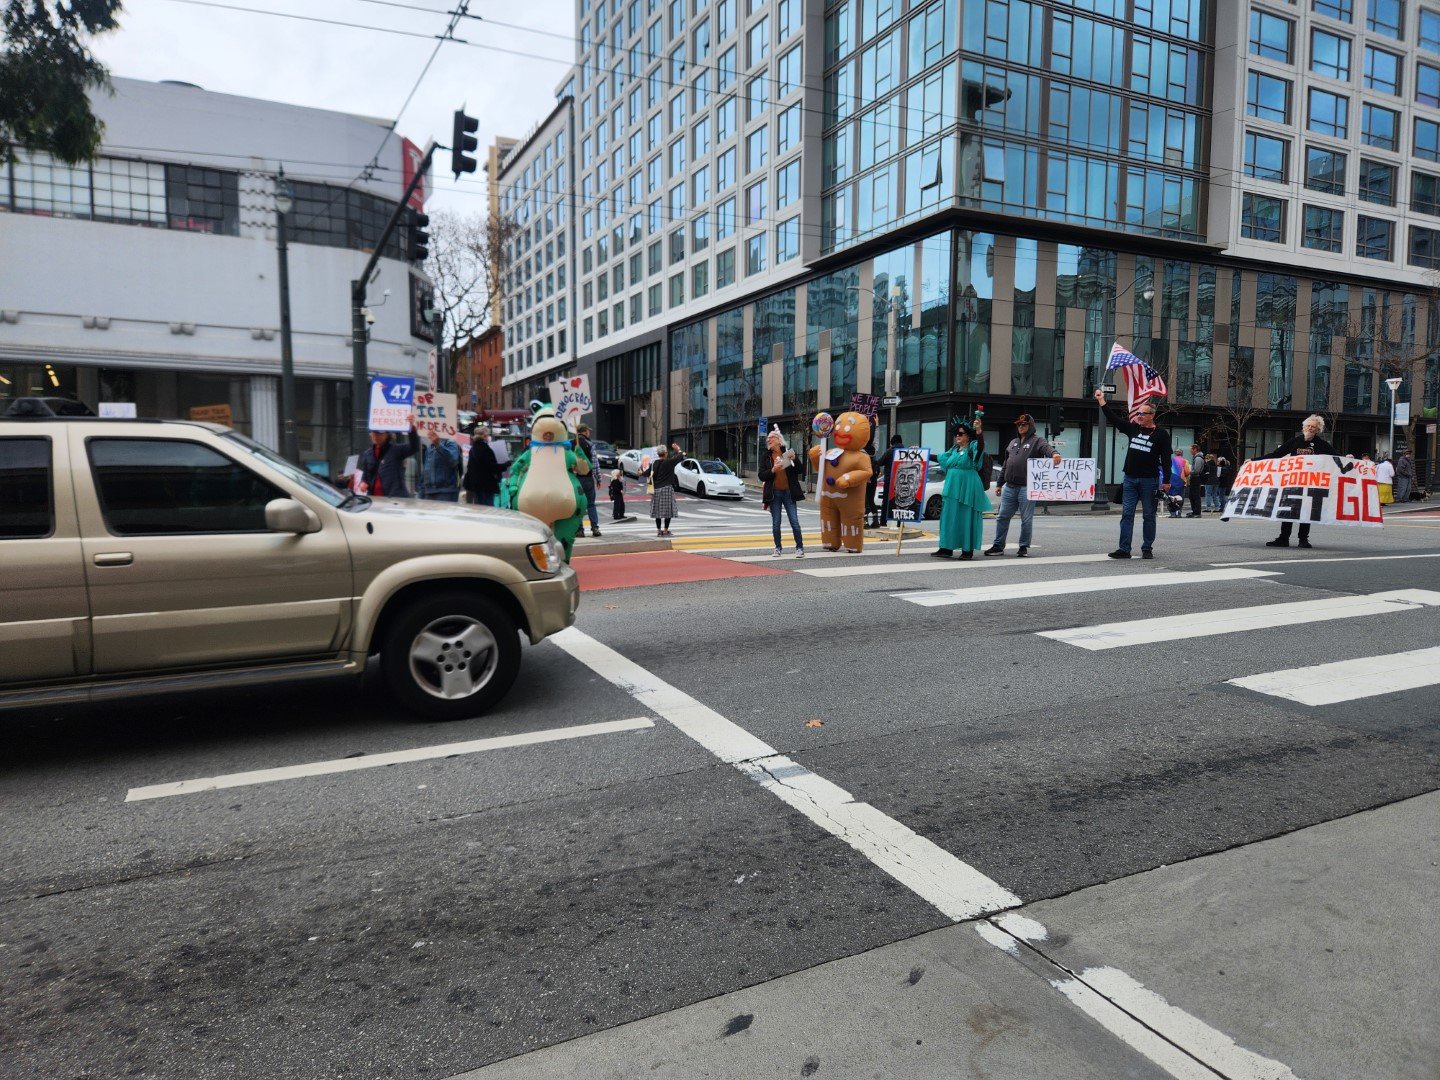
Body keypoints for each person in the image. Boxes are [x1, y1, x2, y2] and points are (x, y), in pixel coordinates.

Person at [1094, 389, 1172, 559]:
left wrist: (1166, 480)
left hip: (1149, 481)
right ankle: (1124, 549)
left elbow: (1166, 459)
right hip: (1129, 479)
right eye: (1138, 413)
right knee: (1127, 514)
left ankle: (1147, 548)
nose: (1139, 416)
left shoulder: (1161, 435)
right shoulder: (1133, 429)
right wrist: (1102, 401)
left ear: (1152, 415)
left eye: (1142, 414)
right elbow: (1113, 419)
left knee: (1149, 515)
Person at [985, 414, 1062, 557]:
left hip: (1027, 487)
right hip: (1010, 486)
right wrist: (1000, 483)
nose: (1020, 427)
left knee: (1026, 519)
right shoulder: (1013, 442)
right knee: (1002, 517)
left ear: (1030, 426)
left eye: (1024, 424)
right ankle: (998, 546)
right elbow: (1006, 465)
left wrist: (1055, 454)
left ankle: (1023, 547)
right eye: (1019, 425)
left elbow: (1047, 448)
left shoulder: (1037, 441)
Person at [1263, 414, 1334, 549]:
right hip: (1292, 483)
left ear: (1318, 429)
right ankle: (1283, 538)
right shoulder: (1295, 441)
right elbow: (1276, 454)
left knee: (1306, 512)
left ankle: (1303, 539)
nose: (1310, 428)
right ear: (1304, 427)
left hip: (1311, 484)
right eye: (1308, 425)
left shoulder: (1322, 444)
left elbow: (1337, 457)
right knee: (1287, 510)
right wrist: (1254, 461)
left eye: (1313, 426)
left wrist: (1353, 462)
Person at [933, 418, 988, 559]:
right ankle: (946, 548)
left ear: (968, 436)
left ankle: (967, 550)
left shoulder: (973, 447)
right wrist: (920, 453)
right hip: (952, 487)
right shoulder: (953, 450)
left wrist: (979, 431)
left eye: (961, 433)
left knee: (966, 517)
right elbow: (939, 458)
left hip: (968, 487)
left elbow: (981, 447)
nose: (958, 436)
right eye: (956, 434)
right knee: (948, 516)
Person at [759, 427, 805, 557]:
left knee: (794, 521)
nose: (768, 440)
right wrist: (773, 470)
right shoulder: (766, 456)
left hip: (789, 493)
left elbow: (800, 470)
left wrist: (795, 459)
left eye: (771, 438)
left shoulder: (787, 453)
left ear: (779, 441)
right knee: (776, 523)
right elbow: (761, 475)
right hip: (775, 494)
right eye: (768, 439)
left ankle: (800, 548)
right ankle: (778, 548)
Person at [356, 422, 420, 499]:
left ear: (387, 435)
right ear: (370, 434)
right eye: (373, 433)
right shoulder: (367, 454)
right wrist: (363, 482)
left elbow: (414, 447)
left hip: (394, 499)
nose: (376, 436)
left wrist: (412, 429)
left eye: (379, 434)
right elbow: (365, 475)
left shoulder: (396, 450)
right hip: (374, 499)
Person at [643, 445, 680, 536]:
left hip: (656, 490)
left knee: (657, 511)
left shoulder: (654, 463)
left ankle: (659, 531)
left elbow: (646, 473)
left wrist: (640, 472)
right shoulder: (669, 462)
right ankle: (666, 530)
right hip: (666, 489)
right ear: (665, 453)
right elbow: (680, 456)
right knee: (668, 511)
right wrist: (678, 449)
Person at [462, 424, 502, 506]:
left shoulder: (473, 448)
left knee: (480, 506)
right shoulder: (486, 449)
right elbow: (491, 467)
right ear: (484, 436)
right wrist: (504, 466)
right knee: (487, 507)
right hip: (486, 485)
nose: (488, 438)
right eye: (488, 435)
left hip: (475, 485)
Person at [418, 426, 461, 501]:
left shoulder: (450, 442)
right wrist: (421, 491)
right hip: (429, 492)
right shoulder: (430, 447)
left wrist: (438, 445)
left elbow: (453, 460)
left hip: (446, 492)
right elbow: (425, 471)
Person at [575, 423, 602, 536]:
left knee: (578, 505)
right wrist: (598, 478)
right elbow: (595, 464)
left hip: (575, 479)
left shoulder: (572, 444)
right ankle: (595, 528)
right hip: (588, 478)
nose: (589, 432)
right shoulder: (590, 444)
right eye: (588, 430)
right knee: (591, 504)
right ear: (585, 431)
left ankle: (580, 530)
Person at [873, 435, 903, 524]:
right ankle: (899, 523)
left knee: (886, 501)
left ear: (892, 442)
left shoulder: (889, 451)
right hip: (901, 481)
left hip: (890, 480)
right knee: (899, 502)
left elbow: (880, 462)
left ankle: (883, 521)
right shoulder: (905, 452)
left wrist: (872, 461)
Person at [1187, 444, 1206, 517]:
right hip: (1195, 478)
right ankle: (1194, 511)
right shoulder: (1196, 457)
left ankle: (1197, 512)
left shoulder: (1198, 458)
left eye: (1191, 449)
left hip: (1196, 478)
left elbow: (1196, 470)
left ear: (1195, 449)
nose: (1190, 451)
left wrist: (1189, 472)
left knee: (1195, 495)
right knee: (1192, 495)